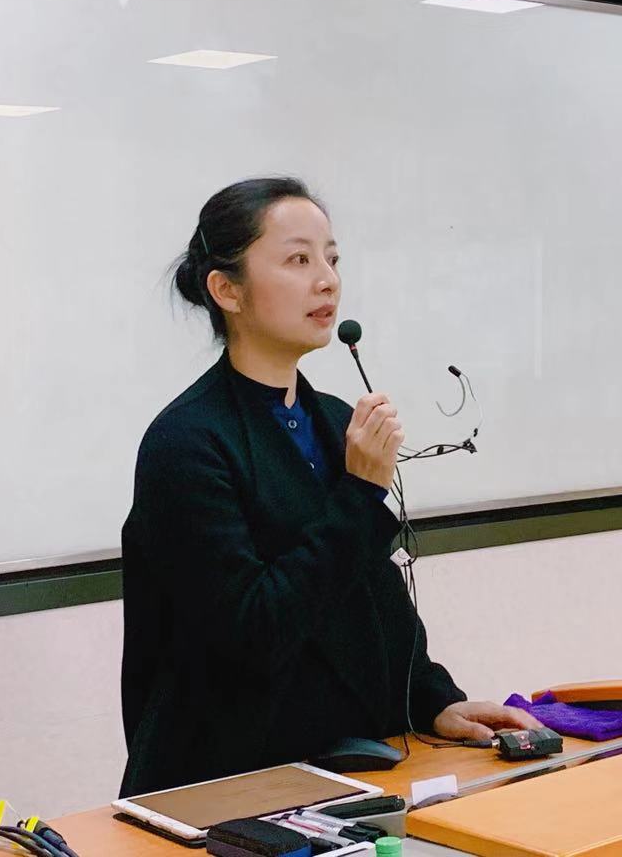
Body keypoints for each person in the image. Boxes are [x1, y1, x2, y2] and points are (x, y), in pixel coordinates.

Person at [119, 177, 537, 797]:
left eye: (332, 259)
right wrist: (359, 494)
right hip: (226, 789)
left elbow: (373, 595)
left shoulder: (336, 419)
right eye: (298, 260)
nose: (328, 281)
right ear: (227, 289)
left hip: (347, 767)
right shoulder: (185, 444)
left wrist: (435, 700)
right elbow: (253, 632)